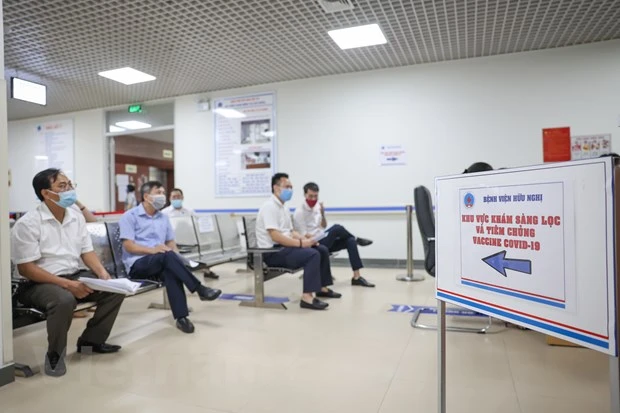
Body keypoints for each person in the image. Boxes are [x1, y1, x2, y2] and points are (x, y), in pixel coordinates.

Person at [11, 168, 125, 377]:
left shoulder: (75, 217)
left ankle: (91, 341)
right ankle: (55, 355)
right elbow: (26, 268)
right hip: (37, 283)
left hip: (72, 274)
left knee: (115, 289)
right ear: (46, 193)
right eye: (62, 186)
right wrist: (67, 285)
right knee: (64, 300)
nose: (69, 190)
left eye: (70, 185)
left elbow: (86, 251)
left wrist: (102, 274)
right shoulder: (28, 223)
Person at [119, 181, 222, 334]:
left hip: (161, 261)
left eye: (163, 192)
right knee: (166, 256)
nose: (162, 196)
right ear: (147, 196)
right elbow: (129, 246)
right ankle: (200, 289)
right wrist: (153, 250)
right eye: (158, 192)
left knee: (171, 269)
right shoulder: (130, 216)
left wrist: (180, 260)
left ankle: (181, 318)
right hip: (138, 264)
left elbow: (170, 243)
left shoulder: (163, 217)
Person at [257, 173, 339, 310]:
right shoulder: (269, 206)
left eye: (291, 187)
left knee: (322, 250)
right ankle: (307, 298)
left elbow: (291, 232)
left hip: (283, 248)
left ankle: (321, 288)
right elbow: (275, 236)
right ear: (276, 188)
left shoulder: (283, 207)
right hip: (272, 252)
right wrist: (301, 244)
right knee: (312, 254)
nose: (290, 190)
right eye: (287, 187)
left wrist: (306, 239)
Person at [293, 182, 375, 288]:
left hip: (323, 239)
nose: (313, 199)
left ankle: (356, 277)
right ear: (305, 195)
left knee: (350, 241)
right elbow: (304, 235)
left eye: (315, 196)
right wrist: (318, 237)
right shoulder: (299, 212)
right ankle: (357, 238)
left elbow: (323, 226)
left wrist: (322, 213)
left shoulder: (317, 206)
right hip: (313, 243)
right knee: (337, 228)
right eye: (310, 196)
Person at [162, 188, 219, 280]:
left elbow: (198, 223)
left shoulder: (189, 211)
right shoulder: (165, 212)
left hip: (190, 240)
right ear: (170, 198)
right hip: (174, 241)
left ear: (182, 197)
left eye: (178, 197)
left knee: (205, 248)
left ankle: (206, 271)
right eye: (174, 197)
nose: (176, 199)